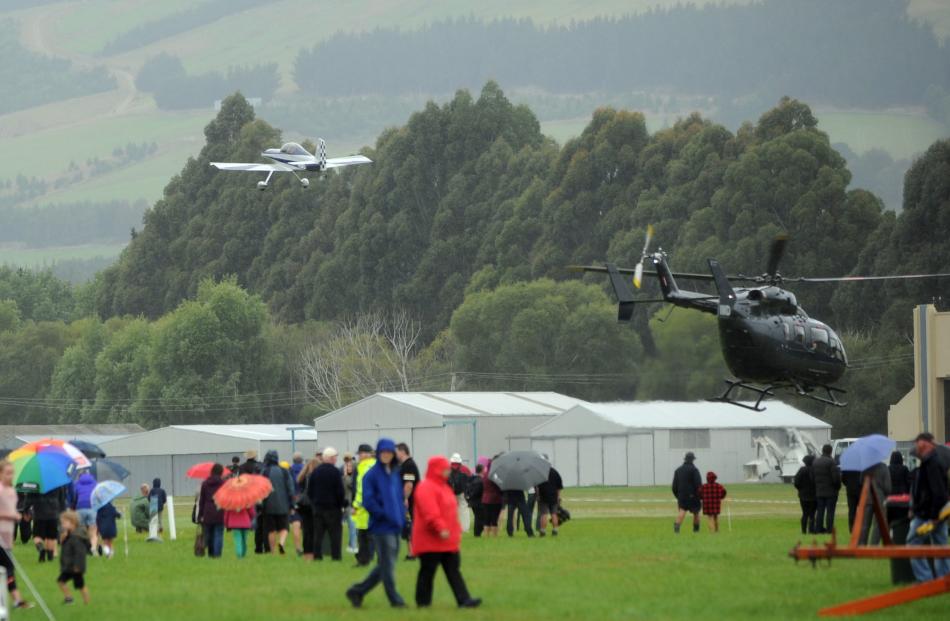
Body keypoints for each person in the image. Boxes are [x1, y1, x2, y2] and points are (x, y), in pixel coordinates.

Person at [412, 455, 482, 608]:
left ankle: (464, 600)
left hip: (447, 540)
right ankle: (422, 603)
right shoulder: (425, 487)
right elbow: (430, 512)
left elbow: (451, 513)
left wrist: (455, 532)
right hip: (430, 540)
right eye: (444, 469)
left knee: (453, 571)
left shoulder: (445, 487)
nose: (448, 472)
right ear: (436, 470)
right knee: (427, 571)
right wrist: (441, 528)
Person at [345, 438, 407, 609]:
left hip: (395, 525)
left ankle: (357, 591)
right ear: (378, 453)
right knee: (387, 565)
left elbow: (399, 499)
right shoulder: (372, 475)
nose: (386, 455)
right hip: (381, 526)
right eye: (383, 452)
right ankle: (395, 599)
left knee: (386, 565)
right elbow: (368, 501)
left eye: (389, 452)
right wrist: (384, 515)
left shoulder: (394, 472)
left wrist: (403, 519)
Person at [906, 432, 950, 582]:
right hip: (937, 513)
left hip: (928, 515)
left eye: (917, 442)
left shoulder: (932, 464)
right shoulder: (930, 462)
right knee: (941, 547)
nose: (915, 446)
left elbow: (938, 493)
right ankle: (944, 580)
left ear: (925, 444)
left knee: (913, 544)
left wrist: (932, 516)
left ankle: (926, 581)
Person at [0, 460, 33, 609]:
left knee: (7, 568)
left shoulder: (12, 491)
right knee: (9, 567)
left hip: (6, 537)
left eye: (12, 473)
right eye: (7, 473)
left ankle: (16, 601)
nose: (10, 476)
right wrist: (12, 515)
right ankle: (17, 600)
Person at [308, 447, 346, 561]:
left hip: (318, 508)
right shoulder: (335, 472)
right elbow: (340, 491)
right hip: (333, 508)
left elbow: (310, 490)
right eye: (335, 457)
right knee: (335, 534)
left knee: (318, 534)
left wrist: (314, 502)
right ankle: (336, 556)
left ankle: (317, 555)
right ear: (331, 458)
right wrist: (342, 504)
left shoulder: (316, 471)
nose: (336, 459)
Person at [262, 450, 295, 555]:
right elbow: (291, 489)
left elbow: (260, 489)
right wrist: (292, 504)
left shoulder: (265, 472)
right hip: (283, 505)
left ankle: (272, 552)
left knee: (271, 530)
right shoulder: (285, 471)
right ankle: (281, 543)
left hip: (268, 505)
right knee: (284, 528)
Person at [57, 510, 90, 605]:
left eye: (64, 523)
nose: (62, 525)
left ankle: (86, 601)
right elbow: (64, 546)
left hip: (75, 567)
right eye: (61, 523)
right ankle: (69, 598)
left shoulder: (76, 537)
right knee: (61, 581)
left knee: (80, 585)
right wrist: (64, 537)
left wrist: (78, 566)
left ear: (73, 523)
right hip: (68, 565)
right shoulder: (69, 535)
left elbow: (80, 553)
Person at [27, 484, 66, 562]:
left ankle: (41, 549)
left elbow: (29, 499)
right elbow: (62, 500)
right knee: (51, 537)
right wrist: (62, 512)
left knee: (37, 535)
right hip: (53, 513)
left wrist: (25, 509)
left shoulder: (36, 484)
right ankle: (50, 557)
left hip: (39, 513)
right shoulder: (57, 484)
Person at [352, 443, 376, 566]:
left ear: (365, 454)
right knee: (367, 534)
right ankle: (365, 557)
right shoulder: (372, 466)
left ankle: (364, 559)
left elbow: (360, 489)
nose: (359, 456)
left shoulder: (364, 467)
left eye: (360, 454)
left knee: (364, 535)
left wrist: (355, 505)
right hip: (369, 506)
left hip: (364, 507)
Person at [858, 461, 891, 545]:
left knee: (865, 524)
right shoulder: (884, 467)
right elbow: (888, 487)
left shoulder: (866, 467)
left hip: (867, 497)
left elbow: (861, 481)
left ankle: (862, 544)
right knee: (878, 524)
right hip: (880, 498)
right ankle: (874, 544)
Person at [197, 464, 226, 558]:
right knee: (218, 534)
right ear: (221, 472)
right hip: (220, 509)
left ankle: (210, 553)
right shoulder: (223, 483)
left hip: (207, 510)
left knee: (208, 534)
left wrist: (200, 514)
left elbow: (202, 500)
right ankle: (217, 555)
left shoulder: (205, 483)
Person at [397, 443, 420, 558]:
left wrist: (405, 498)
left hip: (411, 501)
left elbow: (409, 484)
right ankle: (412, 552)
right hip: (410, 501)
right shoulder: (405, 465)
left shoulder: (408, 465)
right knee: (408, 527)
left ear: (402, 451)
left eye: (396, 452)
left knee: (409, 526)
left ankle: (412, 553)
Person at [813, 444, 841, 534]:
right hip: (831, 492)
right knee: (830, 512)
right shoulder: (831, 462)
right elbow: (836, 478)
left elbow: (812, 477)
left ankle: (818, 528)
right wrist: (837, 487)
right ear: (830, 451)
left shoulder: (816, 462)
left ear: (822, 450)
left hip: (819, 491)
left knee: (820, 511)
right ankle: (829, 529)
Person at [296, 456, 320, 560]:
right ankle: (315, 553)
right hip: (314, 506)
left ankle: (307, 552)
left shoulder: (302, 476)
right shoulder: (316, 476)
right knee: (316, 530)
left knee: (306, 531)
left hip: (304, 506)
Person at [672, 452, 702, 534]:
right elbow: (698, 484)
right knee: (696, 513)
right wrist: (700, 495)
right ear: (693, 460)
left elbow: (674, 486)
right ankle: (696, 531)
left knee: (682, 511)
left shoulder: (678, 470)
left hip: (682, 496)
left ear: (685, 459)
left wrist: (678, 496)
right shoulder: (694, 470)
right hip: (693, 496)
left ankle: (676, 531)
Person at [71, 469, 99, 555]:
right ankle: (93, 548)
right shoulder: (95, 483)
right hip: (92, 508)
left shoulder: (76, 484)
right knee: (93, 531)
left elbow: (74, 497)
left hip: (80, 508)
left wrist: (73, 508)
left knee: (80, 531)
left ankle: (80, 549)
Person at [223, 496, 255, 560]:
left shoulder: (230, 500)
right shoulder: (246, 498)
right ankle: (243, 553)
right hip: (245, 522)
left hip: (234, 523)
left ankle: (239, 555)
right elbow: (252, 512)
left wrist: (226, 523)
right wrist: (250, 518)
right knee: (244, 539)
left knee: (238, 539)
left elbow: (226, 513)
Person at [536, 461, 563, 537]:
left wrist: (538, 496)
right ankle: (555, 530)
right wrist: (558, 497)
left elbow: (537, 486)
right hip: (554, 497)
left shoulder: (541, 473)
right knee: (554, 514)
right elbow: (559, 486)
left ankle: (543, 531)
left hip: (544, 496)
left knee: (544, 514)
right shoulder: (555, 472)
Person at [793, 455, 817, 534]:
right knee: (812, 514)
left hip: (803, 496)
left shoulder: (802, 470)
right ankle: (812, 530)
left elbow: (796, 482)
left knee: (805, 513)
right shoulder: (815, 470)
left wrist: (800, 489)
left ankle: (803, 531)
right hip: (814, 496)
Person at [448, 454, 472, 532]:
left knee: (450, 511)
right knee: (464, 510)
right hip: (460, 493)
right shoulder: (465, 470)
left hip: (451, 493)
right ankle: (464, 528)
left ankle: (451, 527)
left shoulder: (447, 471)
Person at [288, 451, 305, 556]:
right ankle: (308, 546)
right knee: (307, 526)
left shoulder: (289, 470)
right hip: (306, 500)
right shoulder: (306, 468)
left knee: (296, 525)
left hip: (294, 500)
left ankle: (298, 548)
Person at [481, 461, 503, 537]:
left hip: (485, 499)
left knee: (486, 519)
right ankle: (494, 536)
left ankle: (486, 535)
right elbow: (500, 486)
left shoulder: (484, 475)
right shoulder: (495, 475)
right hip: (495, 499)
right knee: (494, 519)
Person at [342, 455, 358, 554]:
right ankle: (353, 546)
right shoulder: (346, 478)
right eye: (347, 467)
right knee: (352, 526)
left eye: (351, 467)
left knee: (353, 526)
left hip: (354, 504)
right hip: (348, 505)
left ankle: (350, 545)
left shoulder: (352, 478)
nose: (349, 468)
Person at [467, 464, 486, 537]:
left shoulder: (472, 479)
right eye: (484, 469)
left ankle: (477, 533)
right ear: (482, 470)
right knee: (480, 518)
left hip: (473, 502)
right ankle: (477, 533)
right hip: (478, 502)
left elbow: (468, 490)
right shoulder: (480, 481)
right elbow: (477, 492)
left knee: (478, 518)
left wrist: (469, 498)